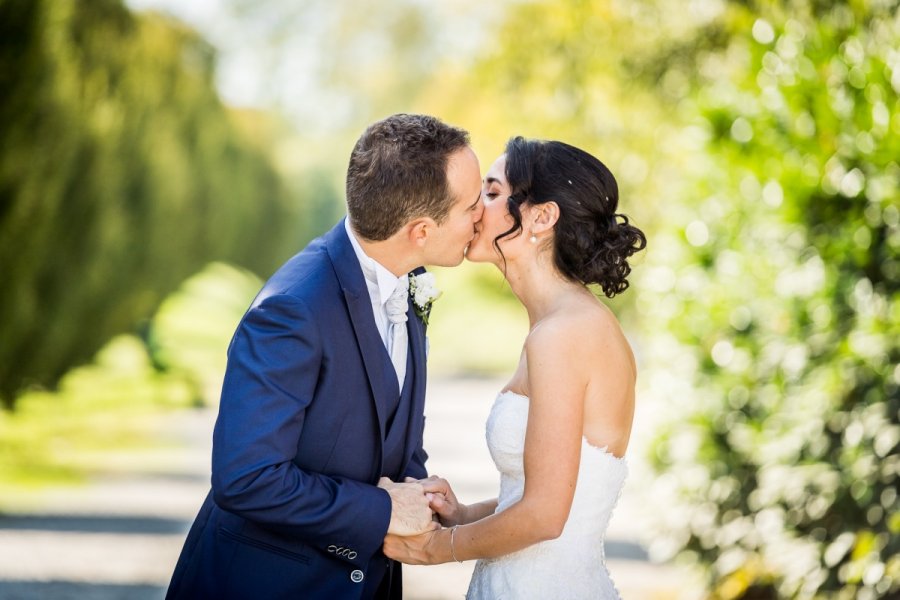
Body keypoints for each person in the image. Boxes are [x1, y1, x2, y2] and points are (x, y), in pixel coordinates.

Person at [166, 113, 484, 600]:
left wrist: (418, 490)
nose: (482, 215)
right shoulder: (292, 308)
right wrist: (382, 510)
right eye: (471, 204)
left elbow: (383, 432)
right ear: (420, 230)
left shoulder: (409, 285)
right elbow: (246, 477)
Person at [382, 136, 647, 599]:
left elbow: (545, 515)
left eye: (490, 191)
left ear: (541, 216)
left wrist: (436, 549)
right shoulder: (562, 325)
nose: (473, 207)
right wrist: (463, 515)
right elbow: (558, 490)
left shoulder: (565, 335)